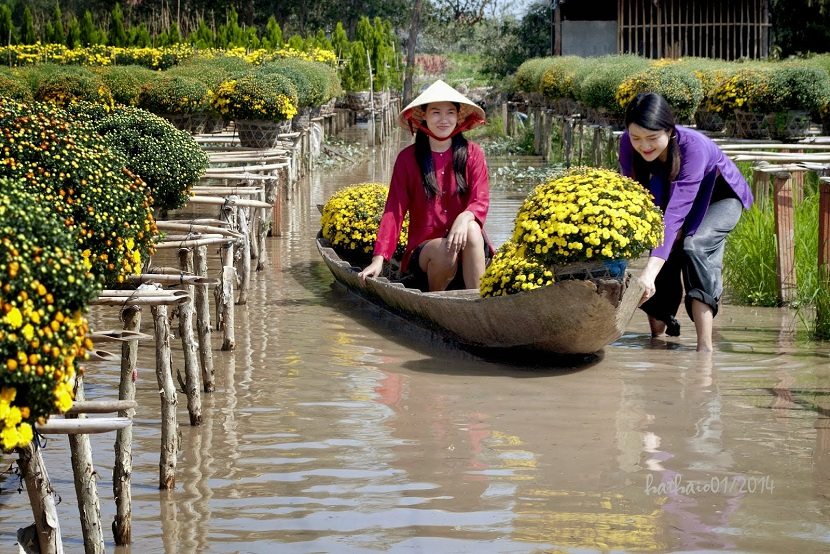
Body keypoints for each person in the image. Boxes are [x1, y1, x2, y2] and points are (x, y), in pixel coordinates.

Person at [619, 92, 754, 352]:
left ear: (669, 131)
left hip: (717, 198)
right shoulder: (628, 143)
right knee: (661, 252)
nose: (643, 145)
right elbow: (633, 196)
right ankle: (656, 342)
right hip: (669, 195)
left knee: (694, 247)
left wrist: (648, 273)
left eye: (652, 138)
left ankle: (705, 350)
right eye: (636, 138)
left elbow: (677, 212)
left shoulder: (694, 147)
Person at [358, 80, 493, 292]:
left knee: (473, 228)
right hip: (426, 253)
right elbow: (394, 210)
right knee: (446, 250)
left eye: (450, 112)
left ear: (458, 117)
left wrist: (464, 217)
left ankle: (476, 301)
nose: (443, 119)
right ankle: (435, 300)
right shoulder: (407, 159)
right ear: (424, 117)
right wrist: (378, 259)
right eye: (436, 112)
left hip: (468, 248)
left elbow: (480, 199)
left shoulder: (472, 153)